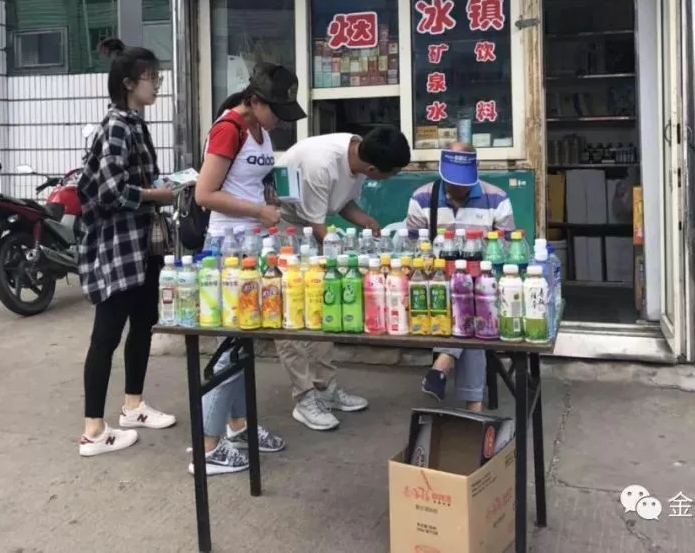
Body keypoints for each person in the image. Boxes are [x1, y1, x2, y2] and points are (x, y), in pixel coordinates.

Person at [191, 62, 306, 475]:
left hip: (255, 246)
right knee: (228, 347)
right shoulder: (228, 128)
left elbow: (253, 182)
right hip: (227, 248)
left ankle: (238, 426)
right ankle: (207, 446)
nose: (279, 119)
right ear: (255, 101)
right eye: (276, 109)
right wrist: (258, 211)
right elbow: (205, 194)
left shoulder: (261, 130)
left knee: (243, 342)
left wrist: (270, 206)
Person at [76, 37, 177, 457]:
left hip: (142, 244)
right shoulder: (117, 125)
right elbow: (111, 190)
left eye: (157, 78)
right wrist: (157, 194)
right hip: (118, 246)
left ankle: (133, 406)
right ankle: (93, 431)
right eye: (151, 78)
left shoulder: (134, 123)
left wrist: (165, 187)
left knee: (143, 322)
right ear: (129, 83)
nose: (157, 86)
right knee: (107, 335)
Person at [275, 127, 411, 430]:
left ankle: (325, 386)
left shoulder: (358, 153)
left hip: (310, 225)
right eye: (390, 174)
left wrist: (365, 220)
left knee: (323, 305)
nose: (389, 179)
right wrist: (353, 258)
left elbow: (342, 203)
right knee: (292, 313)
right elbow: (317, 227)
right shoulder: (320, 166)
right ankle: (304, 396)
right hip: (284, 226)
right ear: (373, 170)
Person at [406, 142, 515, 411]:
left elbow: (507, 250)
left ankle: (442, 364)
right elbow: (412, 249)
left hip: (483, 285)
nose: (457, 189)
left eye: (463, 183)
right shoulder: (423, 197)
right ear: (441, 171)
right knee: (465, 308)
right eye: (452, 182)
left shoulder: (496, 198)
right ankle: (473, 406)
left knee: (473, 302)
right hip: (438, 284)